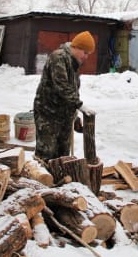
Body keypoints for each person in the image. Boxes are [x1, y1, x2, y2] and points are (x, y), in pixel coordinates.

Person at [33, 31, 96, 161]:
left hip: (63, 117)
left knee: (63, 157)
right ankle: (41, 180)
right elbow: (63, 87)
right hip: (48, 116)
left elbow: (70, 92)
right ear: (77, 47)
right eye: (85, 53)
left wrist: (74, 117)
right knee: (46, 155)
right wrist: (80, 105)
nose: (86, 57)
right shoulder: (58, 58)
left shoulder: (73, 63)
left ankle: (60, 180)